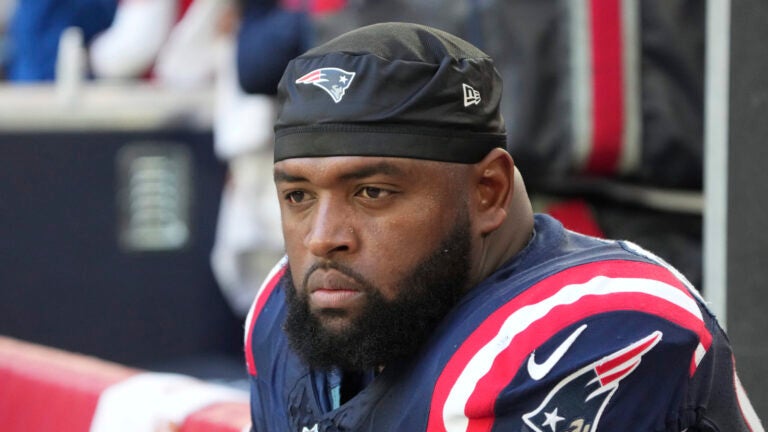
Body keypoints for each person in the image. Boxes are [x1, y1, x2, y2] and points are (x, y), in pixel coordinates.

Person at [243, 22, 762, 431]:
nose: (322, 237)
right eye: (299, 196)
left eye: (372, 193)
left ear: (488, 190)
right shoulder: (287, 309)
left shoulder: (594, 323)